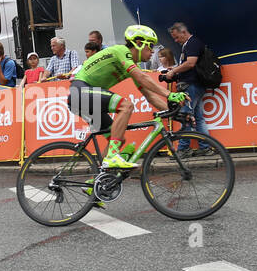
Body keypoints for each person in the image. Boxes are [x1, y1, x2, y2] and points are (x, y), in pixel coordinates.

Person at [70, 24, 182, 170]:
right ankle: (111, 158)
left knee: (118, 140)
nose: (153, 51)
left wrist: (177, 114)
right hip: (80, 92)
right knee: (126, 105)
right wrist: (170, 94)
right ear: (139, 43)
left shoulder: (131, 66)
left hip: (87, 101)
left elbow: (150, 97)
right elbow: (141, 77)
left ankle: (99, 181)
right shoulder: (121, 51)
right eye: (151, 46)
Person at [160, 22, 216, 152]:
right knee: (198, 118)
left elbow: (190, 63)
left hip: (191, 86)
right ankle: (205, 148)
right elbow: (189, 64)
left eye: (177, 37)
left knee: (185, 117)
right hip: (196, 85)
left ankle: (183, 149)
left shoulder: (192, 43)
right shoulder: (191, 44)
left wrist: (174, 71)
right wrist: (175, 69)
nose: (175, 40)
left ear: (184, 32)